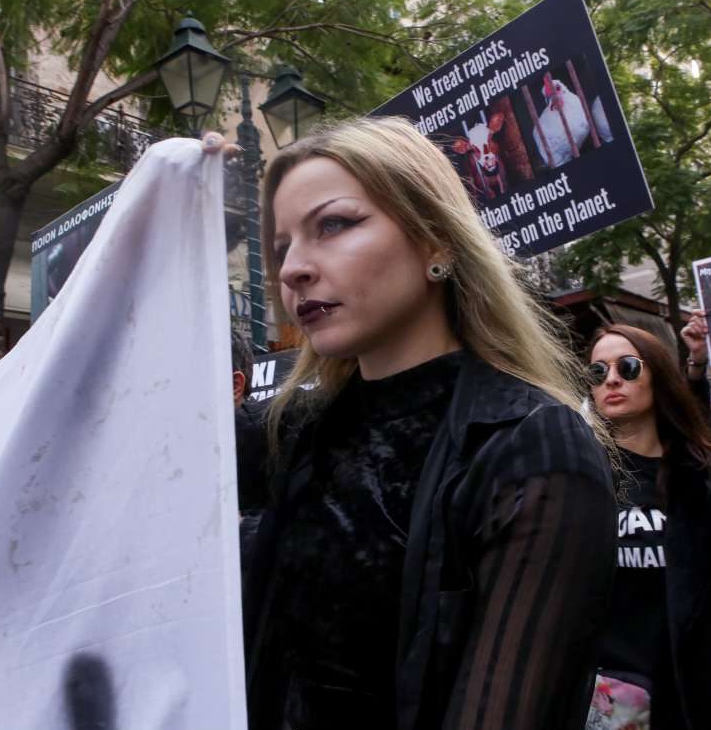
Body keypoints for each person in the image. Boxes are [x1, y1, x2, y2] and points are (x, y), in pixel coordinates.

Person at [238, 117, 617, 730]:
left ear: (436, 241)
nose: (292, 269)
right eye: (283, 247)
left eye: (333, 224)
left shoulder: (531, 445)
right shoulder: (291, 433)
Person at [585, 323, 711, 730]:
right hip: (604, 705)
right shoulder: (576, 479)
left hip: (695, 699)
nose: (612, 380)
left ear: (659, 377)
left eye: (628, 367)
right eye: (598, 372)